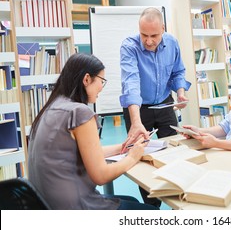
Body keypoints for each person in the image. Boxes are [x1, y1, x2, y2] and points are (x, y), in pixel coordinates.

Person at [28, 53, 158, 210]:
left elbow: (83, 153)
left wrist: (124, 147)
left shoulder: (52, 107)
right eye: (101, 81)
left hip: (48, 205)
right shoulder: (79, 112)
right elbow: (101, 175)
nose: (102, 87)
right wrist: (132, 157)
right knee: (152, 212)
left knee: (132, 201)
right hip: (75, 208)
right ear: (87, 79)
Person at [120, 7, 191, 207]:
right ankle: (151, 209)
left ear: (163, 29)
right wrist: (136, 121)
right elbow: (131, 82)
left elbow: (178, 71)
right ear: (138, 29)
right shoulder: (129, 46)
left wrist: (180, 93)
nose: (149, 41)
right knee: (142, 156)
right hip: (138, 108)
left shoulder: (172, 43)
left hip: (165, 104)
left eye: (154, 35)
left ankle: (179, 199)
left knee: (175, 150)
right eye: (144, 35)